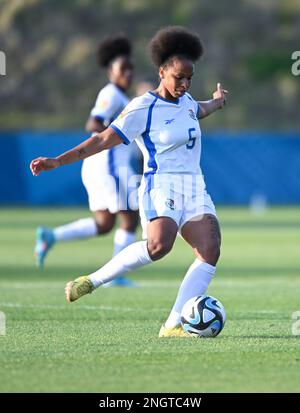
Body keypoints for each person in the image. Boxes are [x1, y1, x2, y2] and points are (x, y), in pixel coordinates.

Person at [30, 26, 228, 337]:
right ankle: (93, 280)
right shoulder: (141, 108)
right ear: (162, 71)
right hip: (160, 185)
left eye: (190, 78)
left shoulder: (187, 101)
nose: (186, 83)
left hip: (195, 186)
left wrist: (216, 102)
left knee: (210, 248)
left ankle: (172, 325)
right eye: (179, 77)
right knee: (159, 246)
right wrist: (57, 161)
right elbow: (100, 140)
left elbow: (198, 110)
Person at [34, 34, 140, 287]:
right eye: (122, 69)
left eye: (130, 68)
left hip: (100, 164)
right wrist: (112, 133)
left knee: (105, 224)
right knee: (130, 217)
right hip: (110, 163)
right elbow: (93, 122)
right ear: (110, 72)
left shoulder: (122, 96)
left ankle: (51, 236)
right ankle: (118, 274)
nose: (128, 73)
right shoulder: (111, 93)